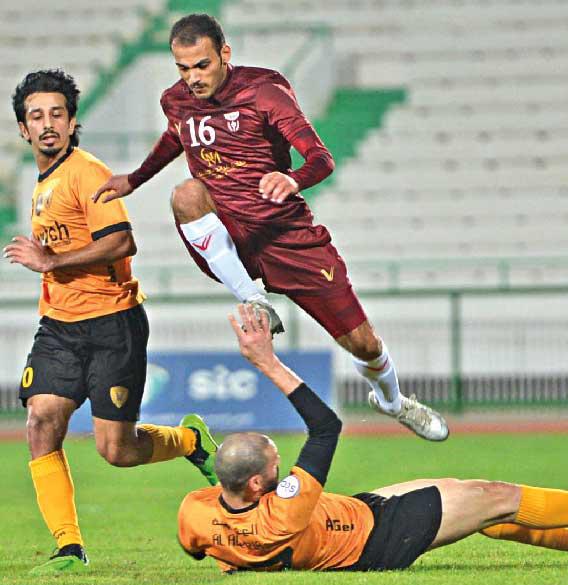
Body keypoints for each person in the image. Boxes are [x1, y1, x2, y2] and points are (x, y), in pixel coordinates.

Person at [91, 13, 448, 442]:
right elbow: (177, 135)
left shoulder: (265, 91)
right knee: (185, 194)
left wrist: (293, 178)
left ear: (225, 53)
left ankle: (392, 401)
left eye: (201, 65)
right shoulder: (177, 100)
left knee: (364, 344)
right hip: (232, 236)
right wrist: (135, 179)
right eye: (183, 68)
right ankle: (253, 297)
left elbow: (321, 158)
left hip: (287, 236)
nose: (192, 78)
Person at [176, 304, 568, 573]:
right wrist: (265, 361)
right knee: (493, 497)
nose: (284, 467)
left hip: (351, 515)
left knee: (469, 498)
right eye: (277, 465)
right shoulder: (283, 511)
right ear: (263, 486)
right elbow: (326, 426)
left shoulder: (196, 514)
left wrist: (205, 458)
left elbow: (211, 535)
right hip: (374, 543)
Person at [4, 69, 220, 575]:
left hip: (112, 324)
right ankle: (69, 548)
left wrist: (52, 261)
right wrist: (53, 268)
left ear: (73, 120)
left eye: (57, 113)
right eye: (36, 116)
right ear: (23, 129)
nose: (47, 124)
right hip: (59, 326)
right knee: (40, 423)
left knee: (117, 451)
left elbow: (123, 242)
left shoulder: (84, 172)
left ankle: (190, 441)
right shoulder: (41, 183)